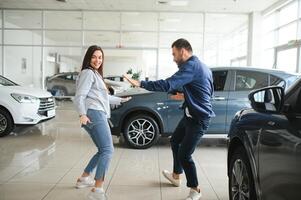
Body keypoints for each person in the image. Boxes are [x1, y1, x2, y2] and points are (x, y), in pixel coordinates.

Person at [123, 38, 215, 200]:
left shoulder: (191, 66)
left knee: (185, 155)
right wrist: (186, 96)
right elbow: (205, 90)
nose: (173, 58)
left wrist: (139, 83)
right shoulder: (202, 66)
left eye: (174, 54)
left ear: (183, 51)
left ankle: (195, 189)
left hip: (199, 119)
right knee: (175, 142)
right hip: (189, 115)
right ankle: (176, 176)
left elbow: (167, 85)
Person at [74, 45, 131, 200]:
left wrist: (121, 99)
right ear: (88, 58)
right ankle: (97, 190)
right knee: (108, 150)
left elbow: (103, 97)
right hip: (94, 113)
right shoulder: (88, 73)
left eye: (100, 57)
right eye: (94, 57)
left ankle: (84, 178)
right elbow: (79, 96)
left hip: (96, 112)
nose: (97, 60)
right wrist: (81, 114)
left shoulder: (95, 74)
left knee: (102, 150)